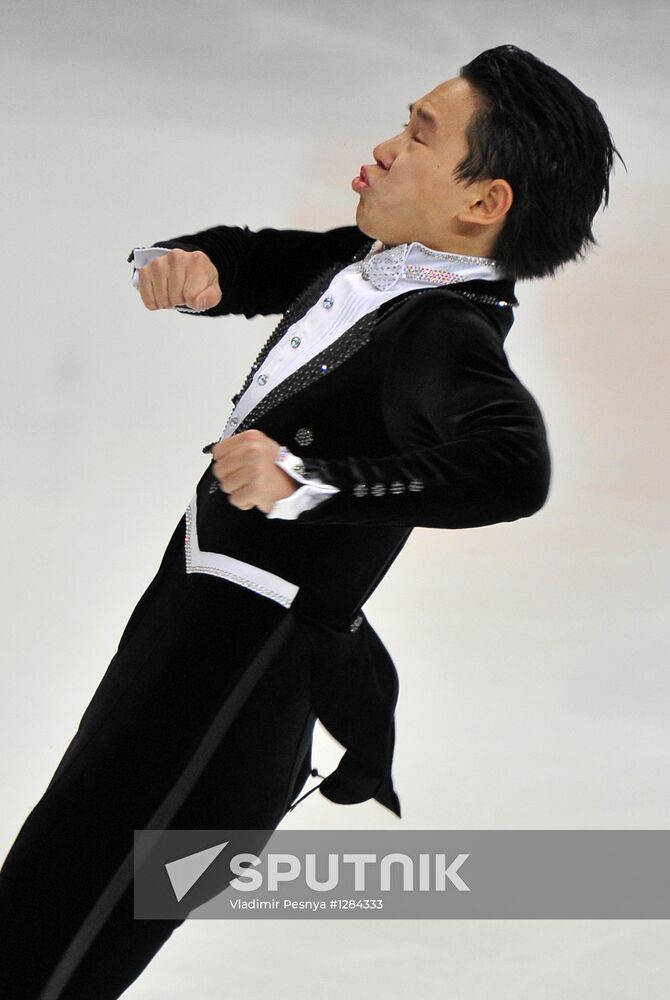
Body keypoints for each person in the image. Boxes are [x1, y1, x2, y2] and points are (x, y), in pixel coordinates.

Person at [0, 44, 621, 1000]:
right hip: (194, 620)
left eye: (418, 134)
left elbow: (511, 467)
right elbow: (265, 260)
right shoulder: (385, 265)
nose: (382, 145)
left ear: (483, 202)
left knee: (68, 918)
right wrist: (200, 264)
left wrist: (314, 483)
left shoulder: (443, 334)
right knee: (56, 868)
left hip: (238, 670)